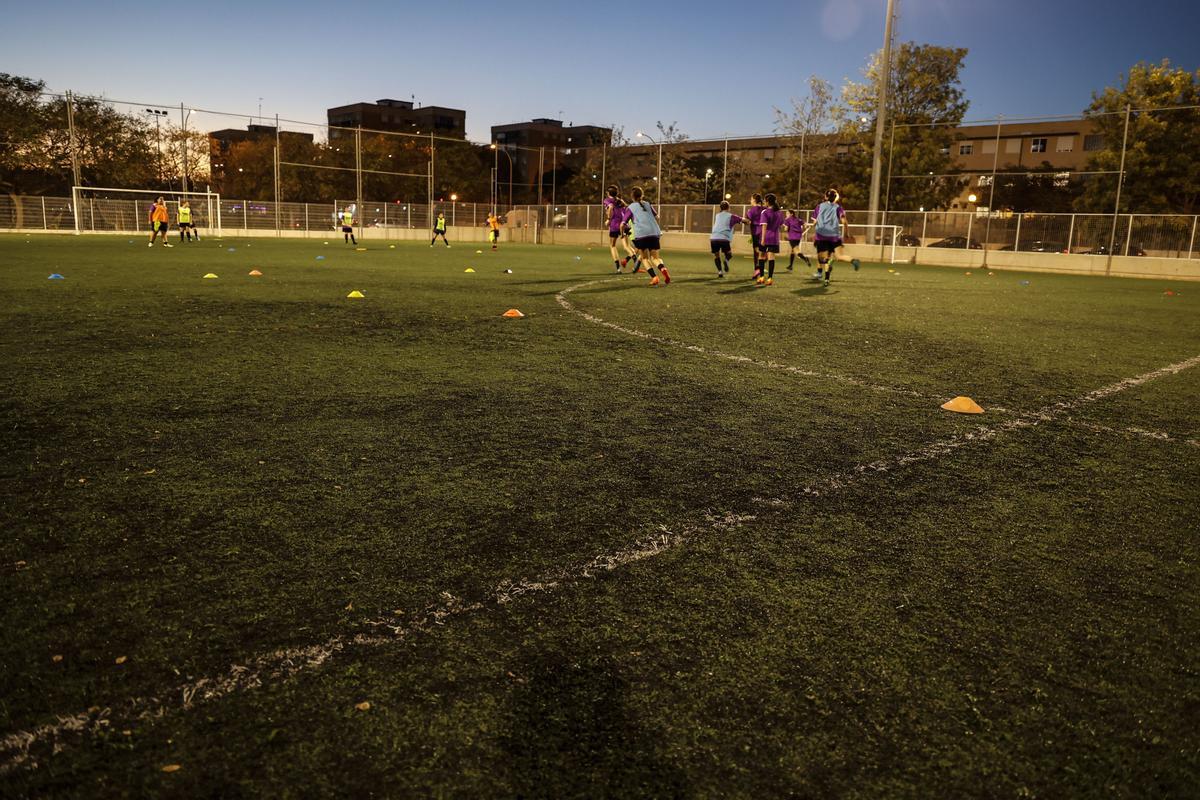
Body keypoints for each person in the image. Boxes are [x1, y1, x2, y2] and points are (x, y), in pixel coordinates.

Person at [810, 189, 860, 286]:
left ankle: (824, 269)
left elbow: (815, 222)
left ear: (825, 197)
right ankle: (853, 261)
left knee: (822, 259)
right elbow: (844, 222)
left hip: (822, 235)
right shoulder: (838, 207)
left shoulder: (819, 207)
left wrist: (814, 226)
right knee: (839, 256)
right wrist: (847, 233)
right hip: (834, 235)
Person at [627, 186, 670, 287]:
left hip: (642, 234)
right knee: (655, 258)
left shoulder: (631, 207)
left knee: (645, 258)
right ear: (642, 195)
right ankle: (663, 269)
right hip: (654, 233)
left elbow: (624, 223)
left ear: (632, 196)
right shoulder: (647, 204)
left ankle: (654, 278)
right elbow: (657, 217)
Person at [709, 200, 748, 278]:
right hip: (724, 238)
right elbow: (745, 220)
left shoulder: (717, 215)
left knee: (717, 255)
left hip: (713, 238)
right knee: (729, 254)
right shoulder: (731, 216)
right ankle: (726, 261)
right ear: (728, 207)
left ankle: (720, 272)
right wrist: (748, 221)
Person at [756, 193, 785, 285]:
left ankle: (761, 277)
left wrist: (763, 239)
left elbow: (764, 226)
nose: (764, 202)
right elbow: (780, 224)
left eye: (765, 201)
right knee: (771, 257)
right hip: (774, 237)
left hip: (766, 237)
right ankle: (770, 278)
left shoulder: (764, 212)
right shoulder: (779, 213)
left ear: (768, 202)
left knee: (761, 256)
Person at [603, 186, 633, 272]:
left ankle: (618, 268)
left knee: (612, 245)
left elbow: (611, 207)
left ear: (608, 193)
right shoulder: (620, 200)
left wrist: (608, 219)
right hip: (624, 225)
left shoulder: (607, 200)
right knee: (627, 246)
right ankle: (635, 263)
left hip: (615, 225)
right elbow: (627, 209)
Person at [745, 193, 765, 279]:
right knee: (763, 252)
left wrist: (742, 220)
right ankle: (760, 269)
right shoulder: (765, 209)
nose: (750, 200)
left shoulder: (751, 210)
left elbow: (748, 221)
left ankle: (757, 269)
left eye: (751, 199)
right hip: (766, 233)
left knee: (756, 252)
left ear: (754, 200)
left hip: (756, 233)